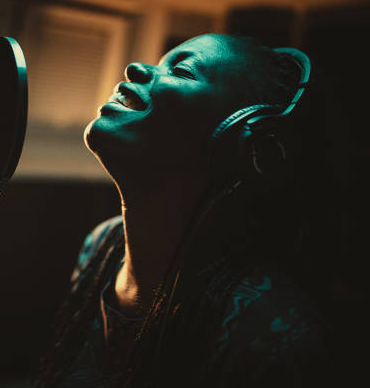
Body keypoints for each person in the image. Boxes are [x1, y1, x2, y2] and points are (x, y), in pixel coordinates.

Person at [35, 34, 335, 387]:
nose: (134, 68)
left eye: (181, 70)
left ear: (238, 139)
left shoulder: (272, 331)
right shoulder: (100, 245)